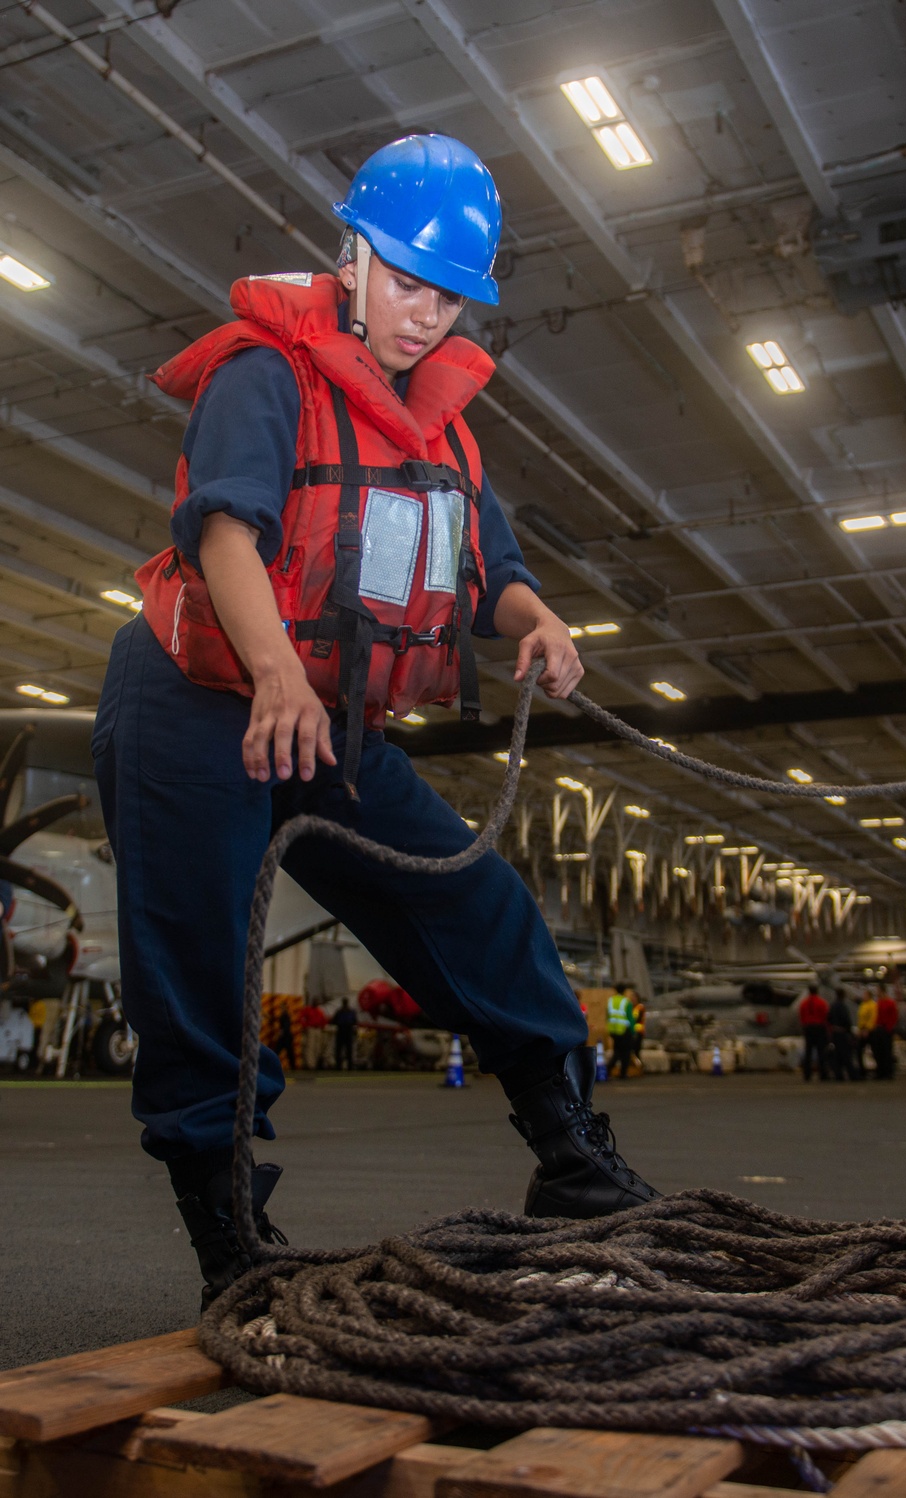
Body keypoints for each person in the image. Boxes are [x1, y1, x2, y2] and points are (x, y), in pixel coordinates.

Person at [91, 134, 658, 1308]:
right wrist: (275, 675)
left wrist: (538, 621)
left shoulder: (442, 430)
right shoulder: (267, 375)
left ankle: (571, 1159)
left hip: (328, 722)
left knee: (469, 893)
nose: (425, 314)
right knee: (200, 960)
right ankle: (228, 1234)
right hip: (199, 704)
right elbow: (225, 531)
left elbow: (491, 564)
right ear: (349, 256)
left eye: (448, 294)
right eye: (406, 279)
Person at [798, 981, 829, 1082]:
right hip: (819, 1028)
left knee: (808, 1052)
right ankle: (823, 1074)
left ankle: (807, 1074)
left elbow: (801, 1016)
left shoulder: (804, 1003)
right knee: (821, 1052)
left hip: (808, 1028)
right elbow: (825, 1016)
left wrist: (804, 1025)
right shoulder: (822, 1002)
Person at [606, 983, 635, 1079]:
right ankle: (623, 1073)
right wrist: (633, 1031)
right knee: (625, 1052)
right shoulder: (626, 1002)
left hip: (613, 1030)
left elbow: (607, 1015)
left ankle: (608, 1069)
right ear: (624, 991)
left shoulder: (611, 1000)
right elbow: (630, 1017)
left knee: (616, 1051)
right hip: (624, 1030)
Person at [827, 988, 857, 1081]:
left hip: (835, 1033)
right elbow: (846, 1020)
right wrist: (850, 1032)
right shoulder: (842, 1006)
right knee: (846, 1055)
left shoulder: (832, 1005)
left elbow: (828, 1018)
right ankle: (853, 1075)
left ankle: (838, 1074)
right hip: (842, 1033)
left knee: (837, 1055)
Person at [870, 986, 898, 1080]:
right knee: (879, 1052)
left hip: (886, 1029)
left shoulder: (890, 1003)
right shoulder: (878, 1003)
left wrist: (889, 1028)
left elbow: (894, 1017)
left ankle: (888, 1072)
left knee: (887, 1052)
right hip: (879, 1029)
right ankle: (880, 1071)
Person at [855, 989, 877, 1079]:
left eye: (865, 995)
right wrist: (860, 1029)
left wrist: (867, 1029)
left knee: (875, 1051)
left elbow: (872, 1018)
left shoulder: (872, 1005)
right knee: (859, 1051)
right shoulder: (863, 1005)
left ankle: (879, 1068)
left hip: (869, 1031)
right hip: (862, 1030)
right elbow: (860, 1018)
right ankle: (861, 1070)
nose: (863, 996)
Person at [332, 998, 357, 1071]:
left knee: (349, 1050)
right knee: (339, 1049)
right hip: (341, 1031)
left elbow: (355, 1021)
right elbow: (334, 1020)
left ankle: (349, 1066)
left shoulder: (351, 1012)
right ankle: (338, 1066)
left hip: (348, 1031)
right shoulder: (340, 1012)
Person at [631, 997, 646, 1065]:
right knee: (633, 1050)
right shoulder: (632, 1007)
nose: (632, 1000)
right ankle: (636, 1064)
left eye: (634, 998)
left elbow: (636, 1019)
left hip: (638, 1032)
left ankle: (638, 1065)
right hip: (632, 1032)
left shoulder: (640, 1007)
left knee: (636, 1050)